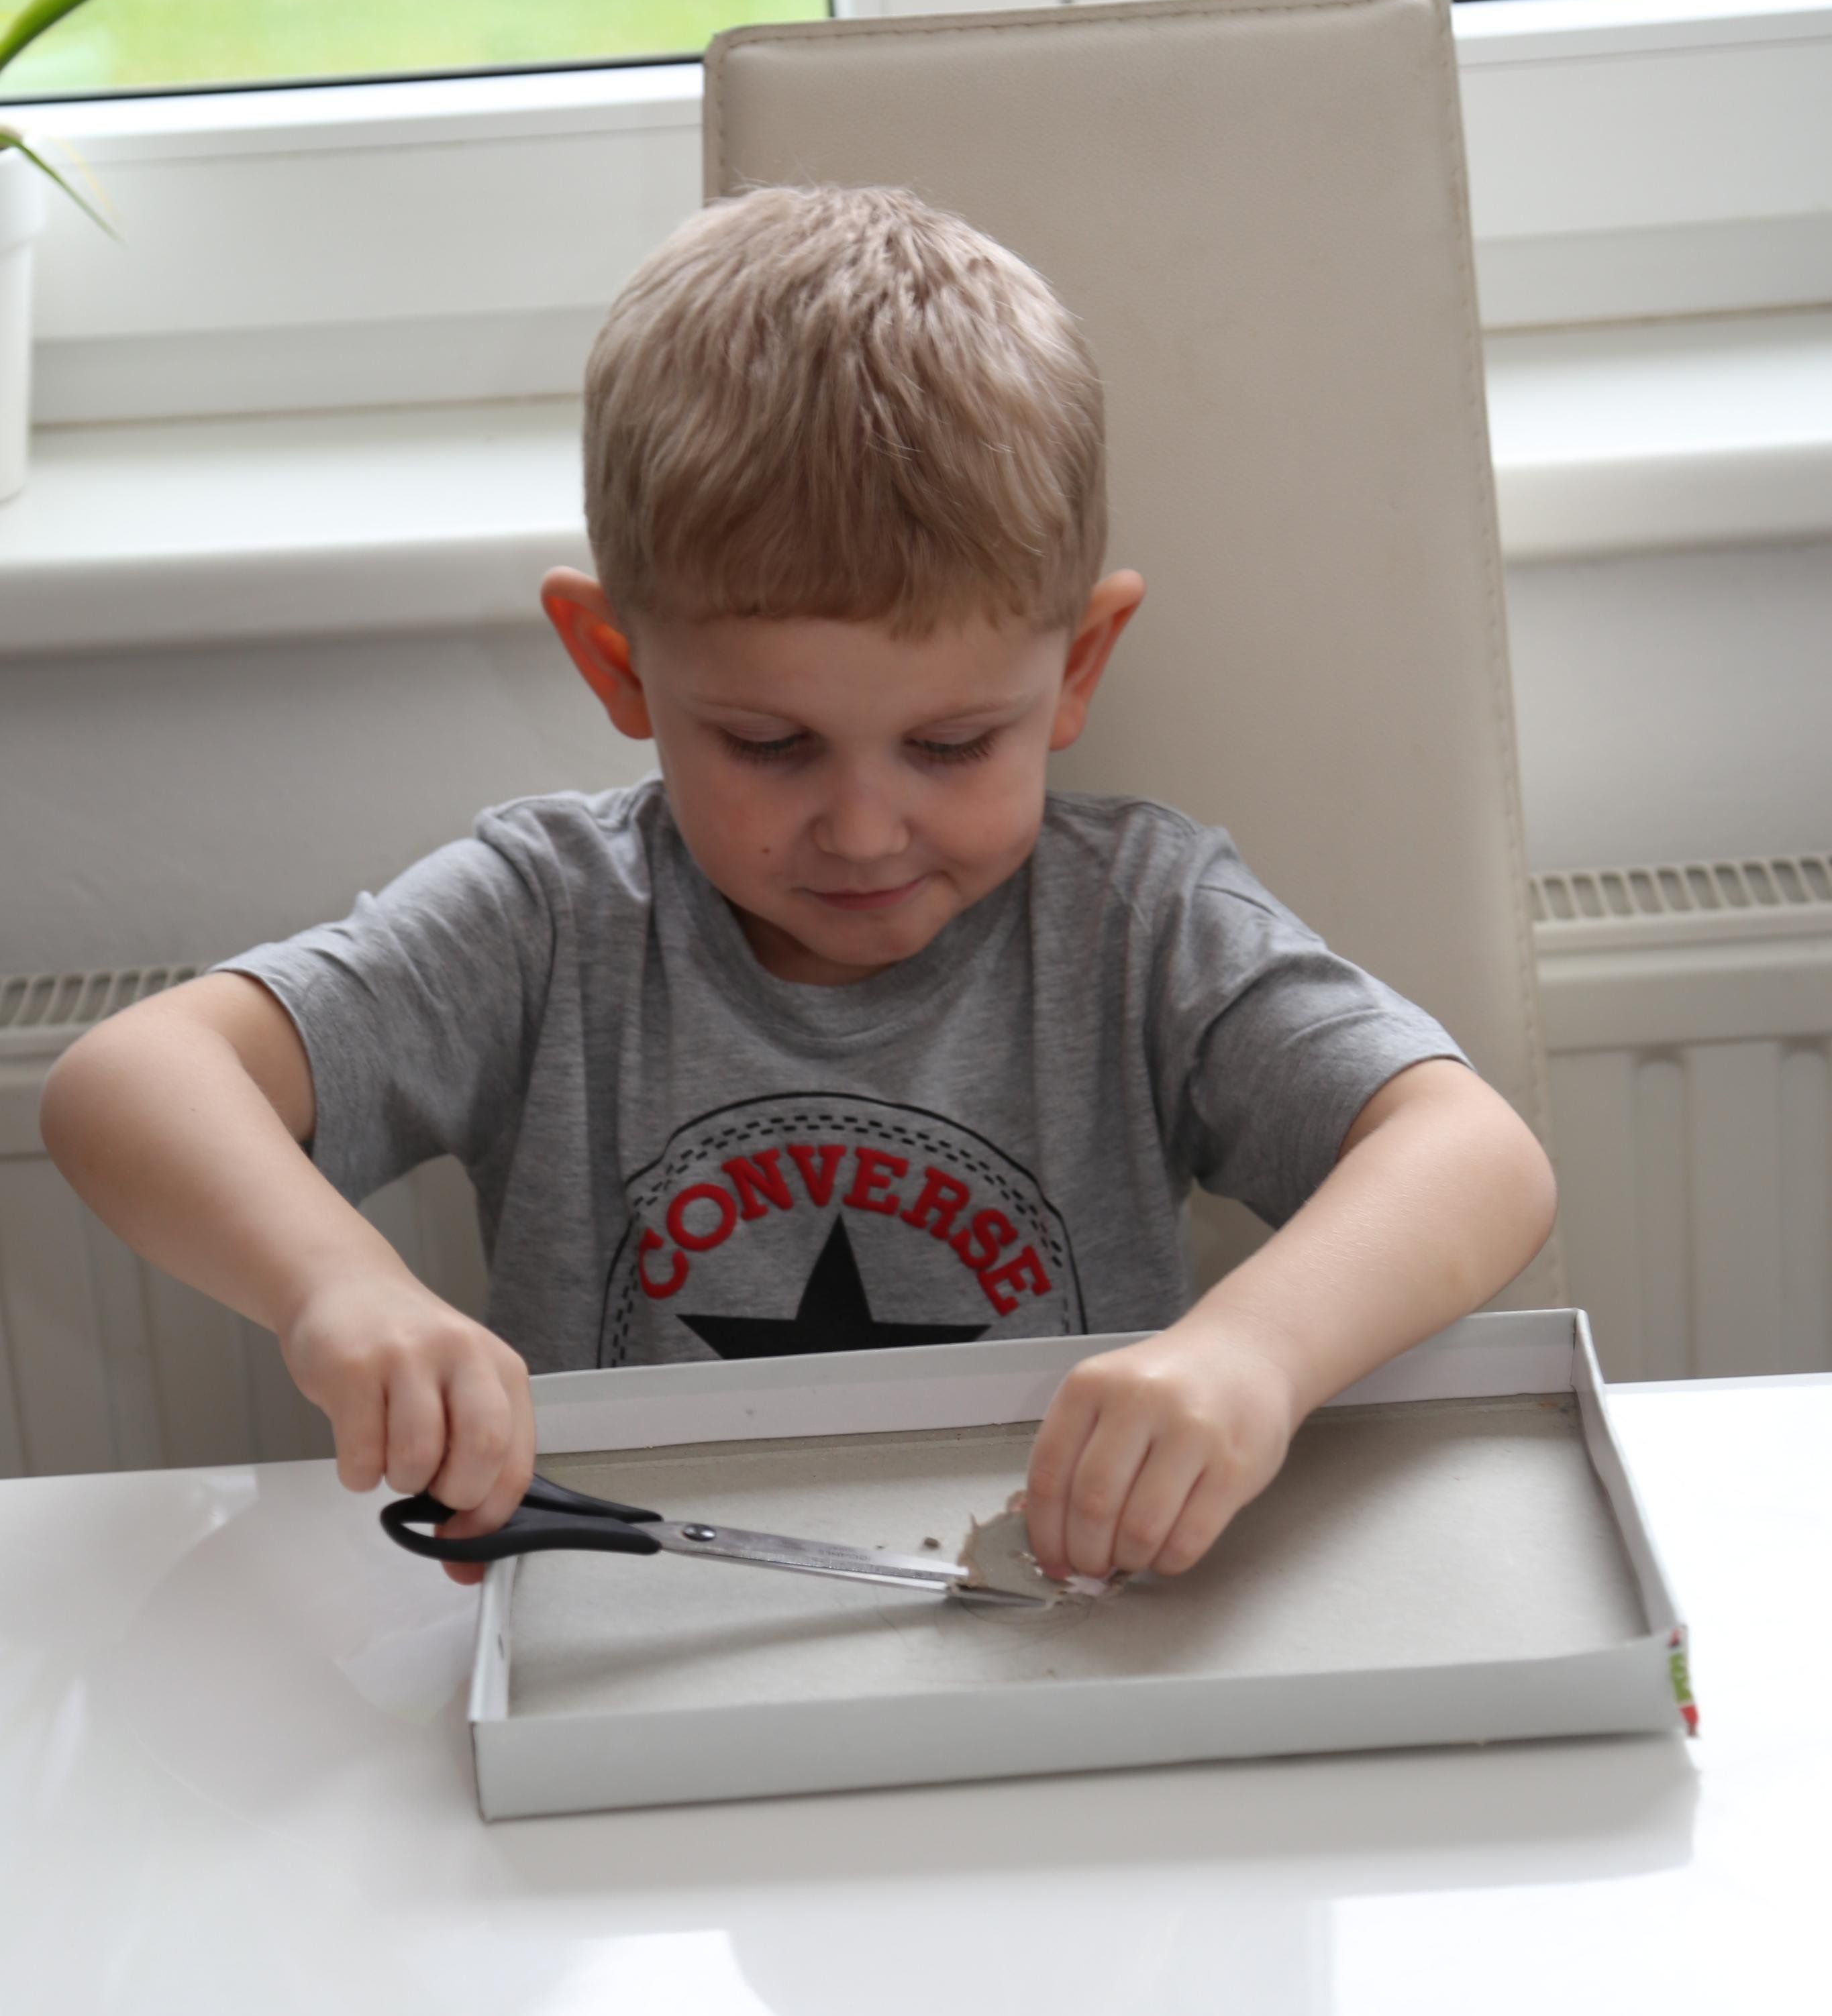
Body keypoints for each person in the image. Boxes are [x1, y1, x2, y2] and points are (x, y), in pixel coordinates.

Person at [41, 184, 1556, 1586]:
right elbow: (129, 1081)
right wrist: (340, 1288)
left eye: (952, 744)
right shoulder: (547, 918)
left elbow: (1475, 1155)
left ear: (1077, 666)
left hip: (1062, 1626)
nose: (865, 830)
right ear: (618, 666)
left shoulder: (1141, 921)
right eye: (769, 745)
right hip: (630, 1627)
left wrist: (1253, 1357)